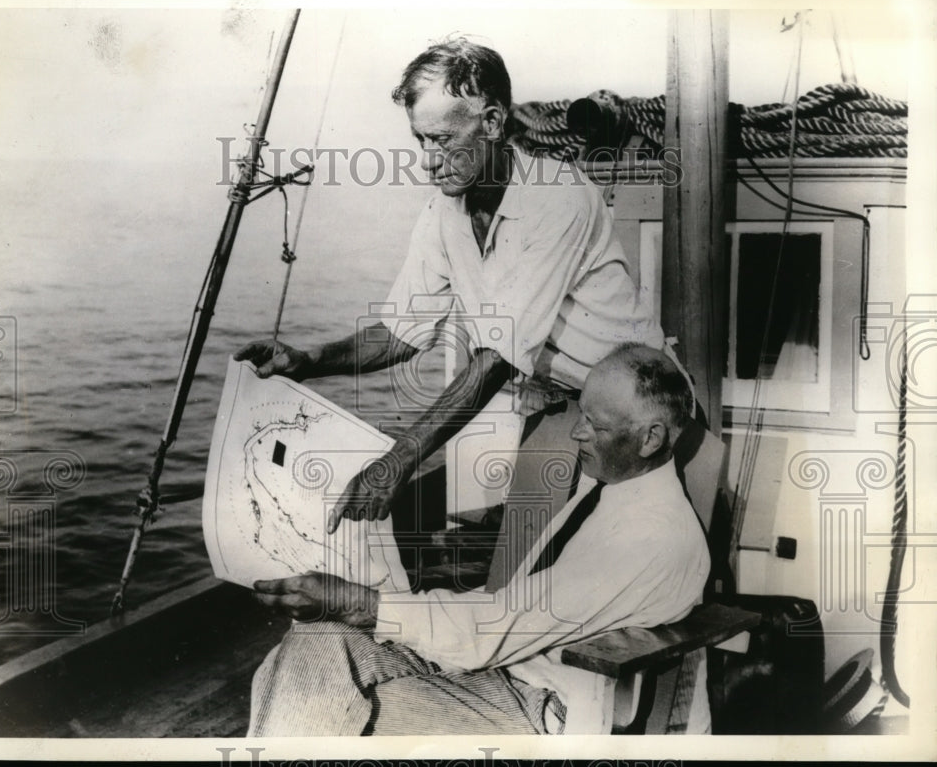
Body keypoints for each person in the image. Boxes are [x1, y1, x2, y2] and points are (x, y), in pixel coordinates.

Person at [235, 38, 669, 589]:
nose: (428, 159)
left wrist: (398, 462)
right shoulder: (445, 210)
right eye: (420, 140)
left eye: (442, 139)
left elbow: (495, 360)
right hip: (561, 406)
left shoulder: (559, 198)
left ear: (491, 122)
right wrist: (308, 360)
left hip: (635, 408)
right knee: (517, 586)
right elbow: (401, 332)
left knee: (583, 590)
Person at [246, 344, 710, 736]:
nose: (576, 432)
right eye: (582, 415)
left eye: (597, 425)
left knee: (331, 708)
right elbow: (507, 617)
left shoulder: (653, 536)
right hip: (499, 665)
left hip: (541, 703)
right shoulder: (612, 486)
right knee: (314, 642)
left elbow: (495, 628)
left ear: (651, 438)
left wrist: (359, 602)